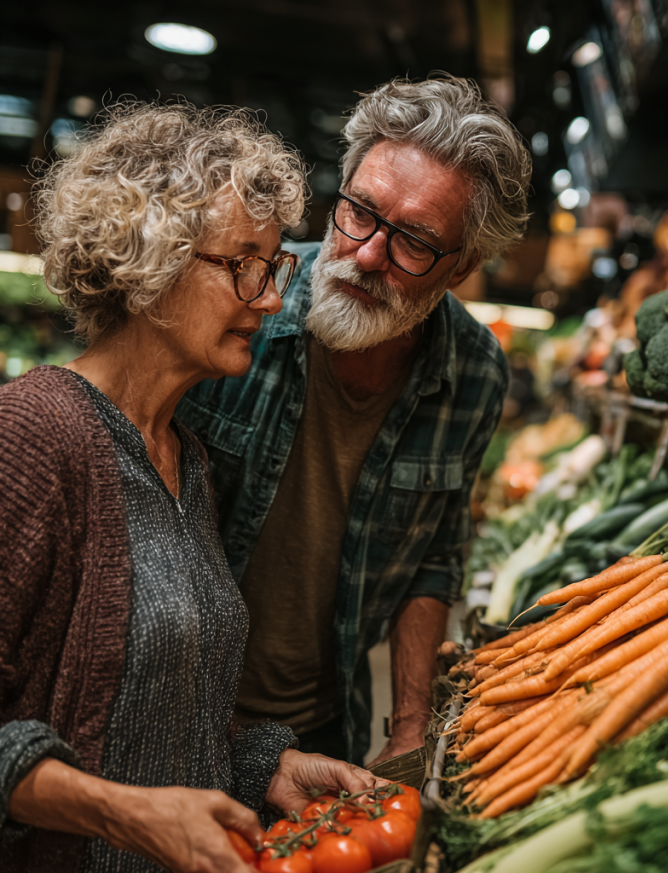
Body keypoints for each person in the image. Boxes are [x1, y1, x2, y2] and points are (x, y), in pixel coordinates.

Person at [0, 103, 381, 873]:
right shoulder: (32, 435)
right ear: (150, 257)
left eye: (273, 267)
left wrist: (261, 767)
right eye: (242, 262)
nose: (270, 299)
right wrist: (127, 814)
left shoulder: (188, 460)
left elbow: (158, 712)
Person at [176, 76, 532, 765]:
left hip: (321, 730)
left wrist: (409, 726)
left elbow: (435, 554)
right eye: (359, 212)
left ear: (460, 268)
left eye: (413, 243)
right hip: (170, 712)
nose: (367, 254)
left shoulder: (475, 372)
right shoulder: (239, 301)